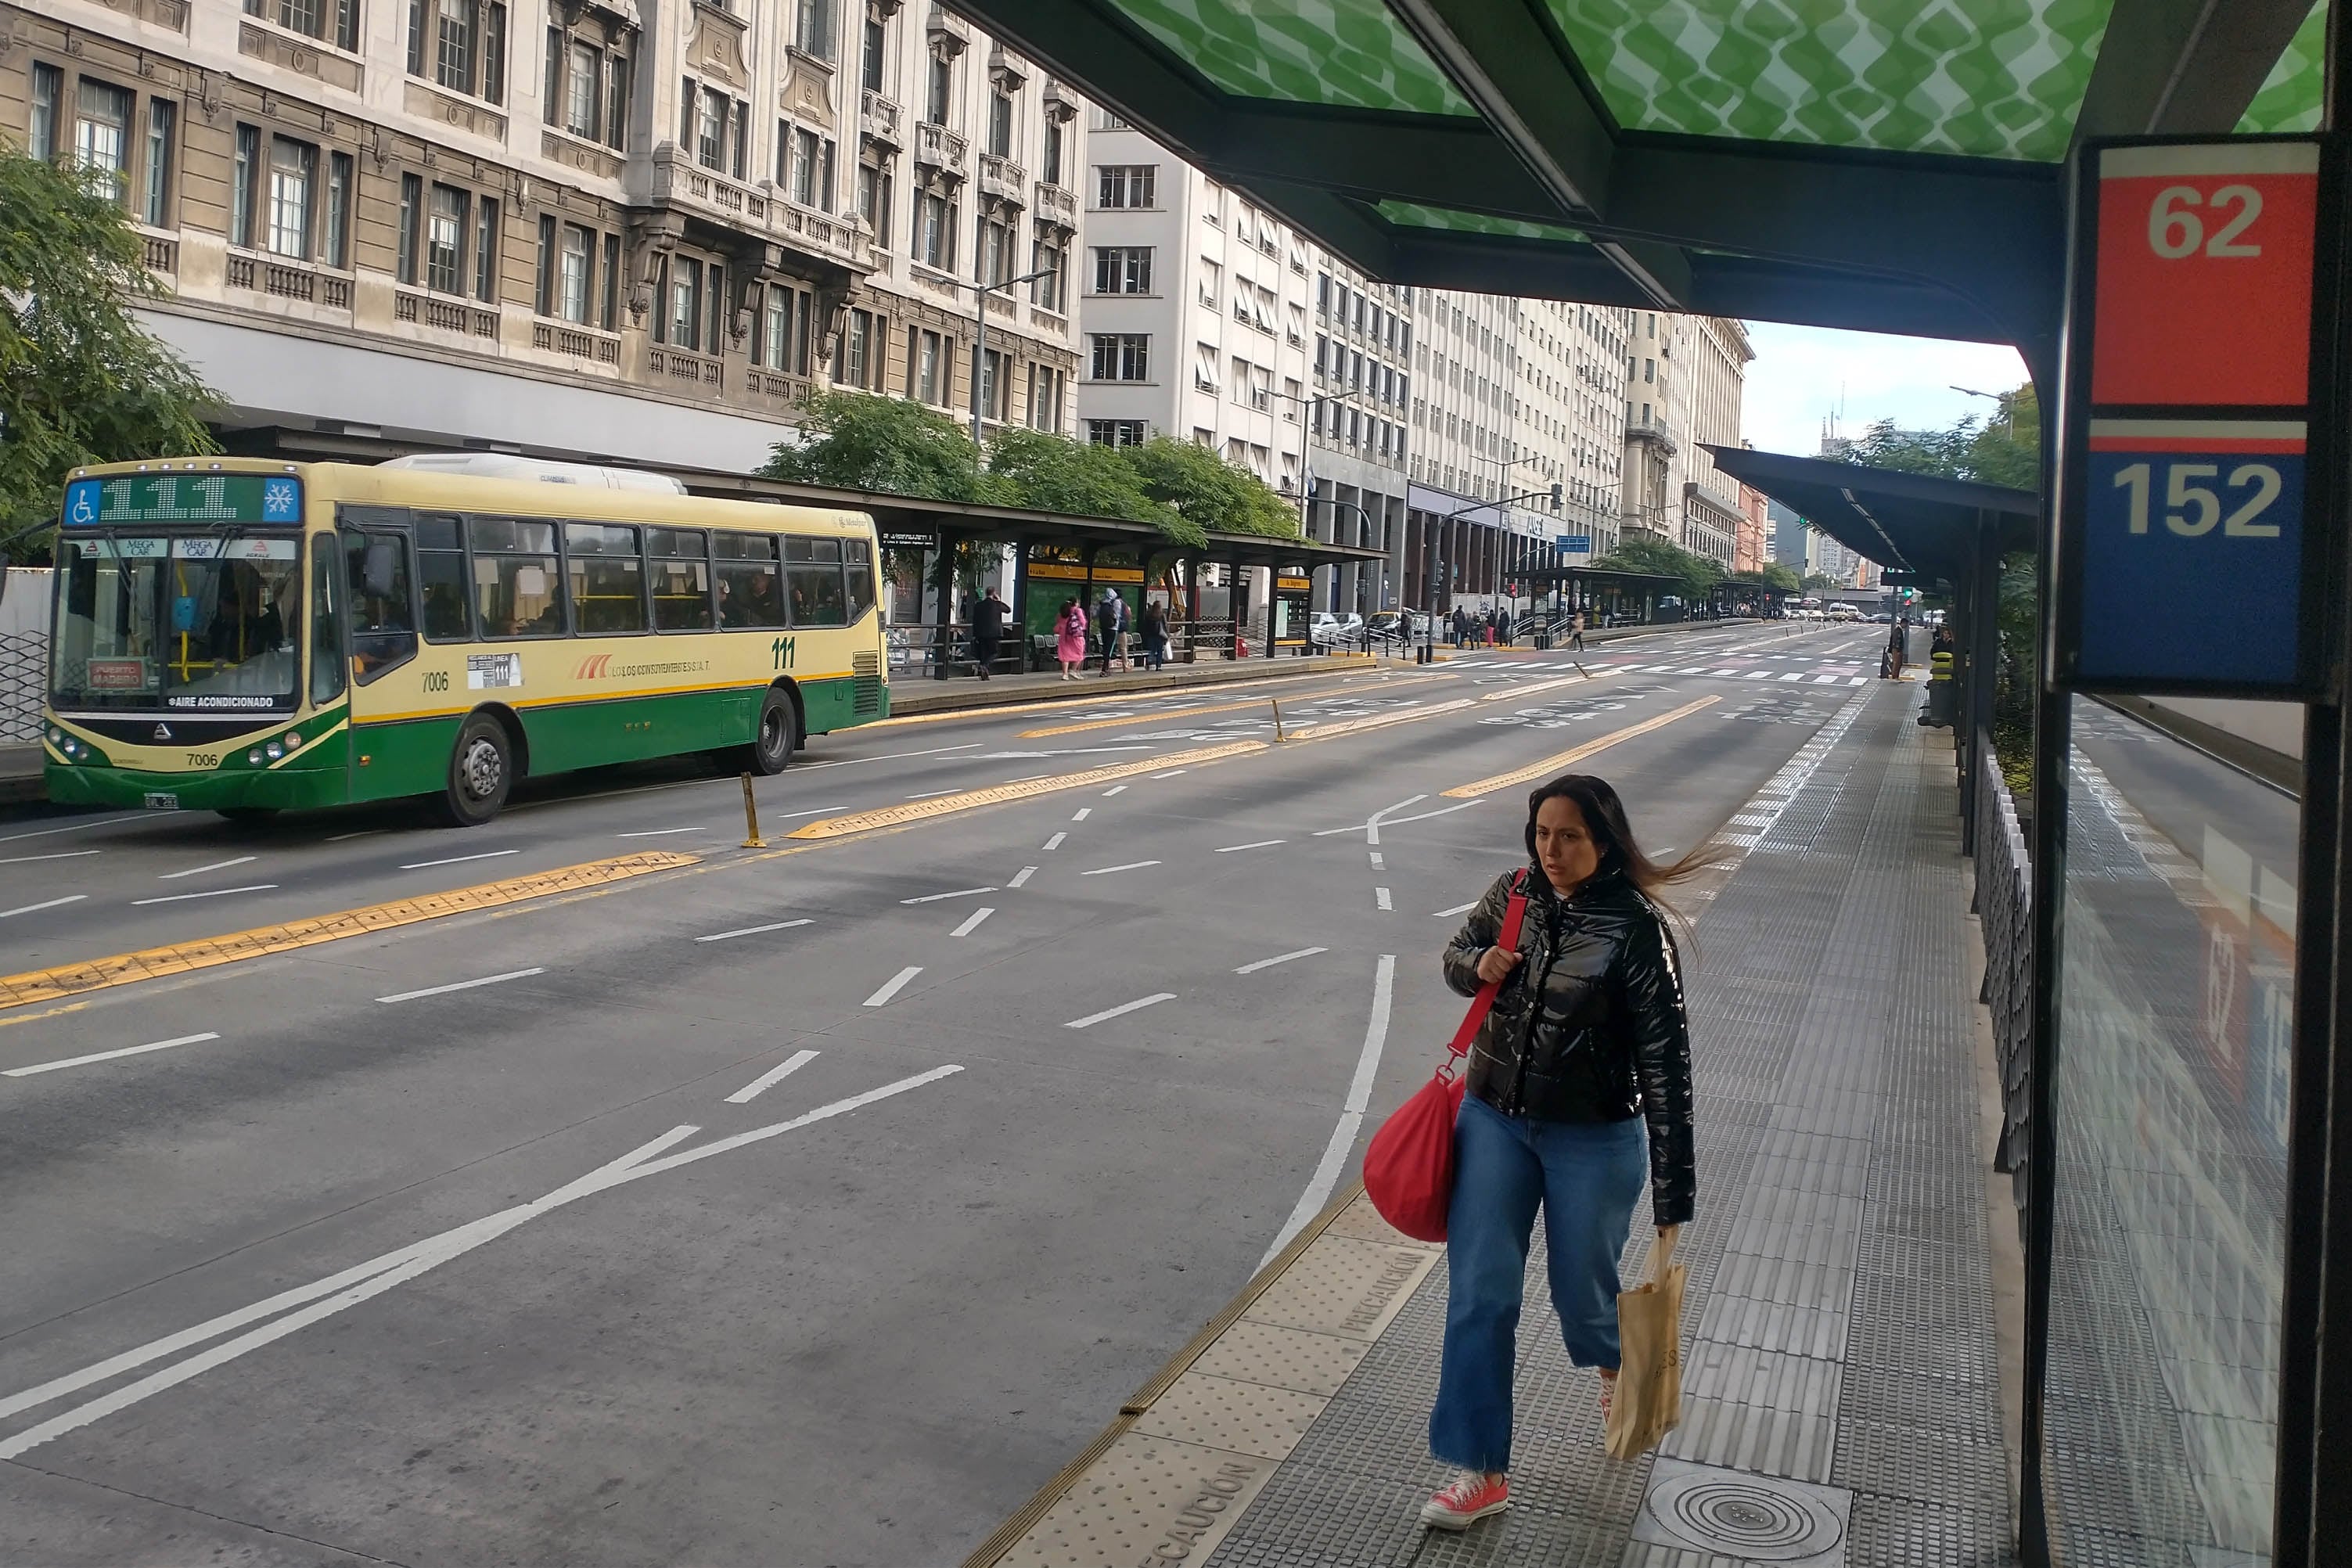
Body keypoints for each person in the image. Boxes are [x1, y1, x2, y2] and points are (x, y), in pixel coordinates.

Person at [1419, 774, 1697, 1532]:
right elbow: (1456, 952)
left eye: (1569, 836)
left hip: (1594, 1136)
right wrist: (1475, 965)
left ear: (1603, 841)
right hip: (1494, 1122)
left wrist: (1675, 1192)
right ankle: (1481, 1470)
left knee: (1582, 1298)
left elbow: (1666, 1062)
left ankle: (1614, 1365)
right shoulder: (1515, 894)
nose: (1552, 850)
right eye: (1543, 833)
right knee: (1480, 1295)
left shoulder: (1635, 929)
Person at [970, 585, 1009, 680]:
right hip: (994, 634)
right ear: (994, 593)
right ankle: (984, 666)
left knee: (984, 654)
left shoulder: (979, 605)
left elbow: (975, 619)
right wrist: (999, 600)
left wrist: (975, 633)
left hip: (981, 634)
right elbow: (1008, 610)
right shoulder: (997, 604)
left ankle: (984, 674)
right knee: (995, 652)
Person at [1095, 588, 1130, 674]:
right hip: (1114, 628)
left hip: (1104, 628)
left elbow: (1096, 614)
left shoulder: (1103, 603)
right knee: (1113, 648)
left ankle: (1106, 666)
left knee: (1106, 648)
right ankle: (1106, 668)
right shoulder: (1118, 603)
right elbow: (1118, 616)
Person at [1054, 597, 1088, 681]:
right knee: (1079, 654)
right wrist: (1081, 628)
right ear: (1075, 603)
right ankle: (1073, 670)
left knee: (1065, 655)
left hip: (1064, 636)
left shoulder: (1063, 611)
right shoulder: (1078, 611)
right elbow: (1083, 622)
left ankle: (1065, 674)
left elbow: (1058, 622)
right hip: (1075, 636)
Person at [1140, 599, 1169, 670]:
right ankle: (1158, 666)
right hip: (1160, 635)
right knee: (1159, 651)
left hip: (1151, 635)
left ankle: (1149, 663)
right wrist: (1167, 634)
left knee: (1151, 650)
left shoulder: (1149, 615)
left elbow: (1145, 625)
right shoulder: (1162, 615)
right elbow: (1165, 626)